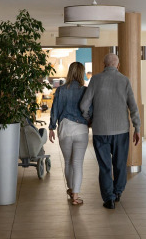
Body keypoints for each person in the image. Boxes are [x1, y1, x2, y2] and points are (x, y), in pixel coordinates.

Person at [80, 53, 141, 209]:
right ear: (118, 65)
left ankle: (108, 199)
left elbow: (83, 105)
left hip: (100, 130)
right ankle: (118, 192)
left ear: (103, 64)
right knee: (120, 164)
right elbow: (133, 107)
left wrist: (89, 118)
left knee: (105, 166)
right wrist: (137, 128)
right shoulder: (124, 80)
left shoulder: (95, 79)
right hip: (121, 130)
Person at [49, 62, 89, 205]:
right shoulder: (85, 90)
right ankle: (76, 196)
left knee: (68, 162)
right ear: (81, 73)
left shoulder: (61, 90)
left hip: (65, 128)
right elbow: (89, 110)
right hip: (81, 130)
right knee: (77, 163)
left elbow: (55, 109)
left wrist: (51, 128)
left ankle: (71, 189)